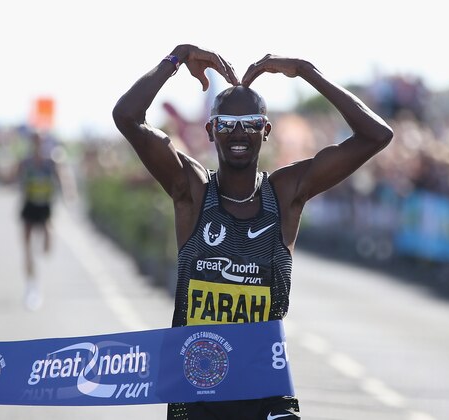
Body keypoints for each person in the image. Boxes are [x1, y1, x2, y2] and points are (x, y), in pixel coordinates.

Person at [113, 44, 393, 420]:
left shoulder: (286, 193)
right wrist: (176, 58)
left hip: (267, 394)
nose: (238, 133)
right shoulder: (193, 192)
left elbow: (376, 136)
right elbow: (127, 116)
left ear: (266, 131)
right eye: (227, 124)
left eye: (249, 123)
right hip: (196, 394)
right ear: (211, 131)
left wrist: (306, 71)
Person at [16, 132, 62, 310]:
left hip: (45, 206)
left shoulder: (51, 162)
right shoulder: (26, 162)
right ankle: (31, 285)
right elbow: (15, 178)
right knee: (27, 248)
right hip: (29, 205)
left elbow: (62, 179)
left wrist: (69, 195)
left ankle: (45, 250)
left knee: (47, 242)